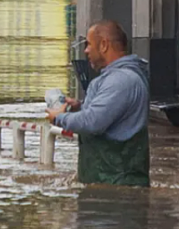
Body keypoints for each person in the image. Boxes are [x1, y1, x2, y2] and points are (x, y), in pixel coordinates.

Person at [46, 20, 150, 187]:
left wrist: (59, 118)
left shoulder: (120, 81)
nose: (86, 50)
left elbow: (92, 122)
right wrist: (80, 107)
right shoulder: (119, 78)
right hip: (109, 184)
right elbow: (108, 115)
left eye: (88, 44)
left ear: (103, 45)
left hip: (116, 189)